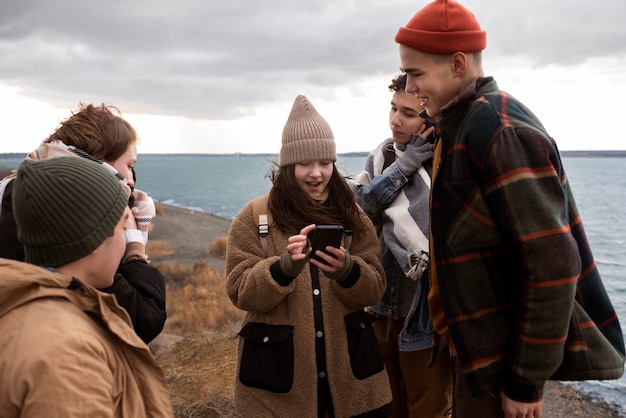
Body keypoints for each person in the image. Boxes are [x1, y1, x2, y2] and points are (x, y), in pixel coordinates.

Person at [394, 1, 625, 417]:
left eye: (416, 74)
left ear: (458, 63)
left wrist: (525, 381)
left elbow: (553, 262)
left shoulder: (499, 130)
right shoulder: (459, 125)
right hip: (475, 357)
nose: (409, 88)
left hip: (501, 369)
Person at [225, 95, 392, 417]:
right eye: (305, 164)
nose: (316, 173)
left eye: (325, 163)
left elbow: (375, 288)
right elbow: (239, 291)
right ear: (288, 166)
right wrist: (283, 268)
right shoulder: (256, 216)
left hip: (354, 386)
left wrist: (347, 270)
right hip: (276, 392)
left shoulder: (353, 217)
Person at [0, 157, 173, 417]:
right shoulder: (67, 353)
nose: (127, 238)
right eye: (123, 225)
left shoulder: (28, 304)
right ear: (92, 239)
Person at [0, 103, 165, 344]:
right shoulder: (71, 203)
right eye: (129, 166)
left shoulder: (20, 189)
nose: (130, 180)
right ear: (98, 160)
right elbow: (141, 318)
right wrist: (134, 249)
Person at [351, 73, 452, 417]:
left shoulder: (445, 161)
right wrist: (405, 165)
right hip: (382, 306)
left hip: (423, 311)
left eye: (407, 114)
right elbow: (361, 209)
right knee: (388, 404)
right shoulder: (383, 157)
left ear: (429, 119)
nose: (395, 120)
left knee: (428, 406)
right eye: (393, 109)